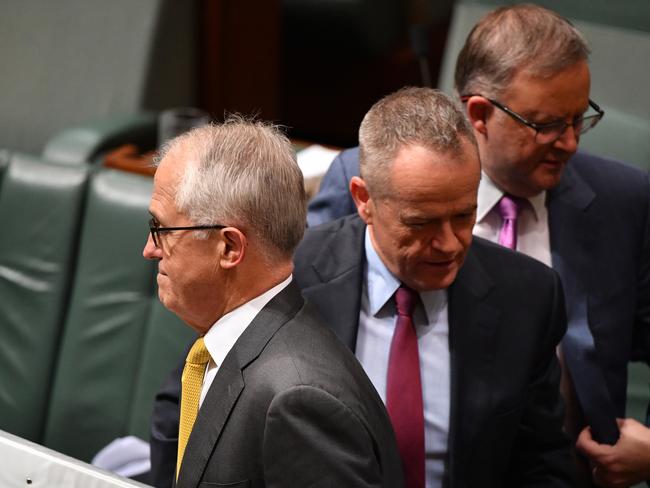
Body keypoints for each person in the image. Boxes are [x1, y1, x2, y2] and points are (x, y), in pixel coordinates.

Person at [307, 5, 650, 486]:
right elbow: (305, 300)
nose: (570, 142)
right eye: (548, 123)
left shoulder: (624, 201)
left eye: (580, 119)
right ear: (480, 114)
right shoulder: (367, 179)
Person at [296, 87, 574, 486]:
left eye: (463, 215)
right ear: (364, 199)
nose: (449, 243)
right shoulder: (290, 277)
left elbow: (542, 464)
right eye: (421, 222)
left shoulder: (528, 299)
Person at [144, 118, 403, 488]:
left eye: (161, 229)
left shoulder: (298, 402)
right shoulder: (238, 346)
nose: (150, 249)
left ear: (230, 247)